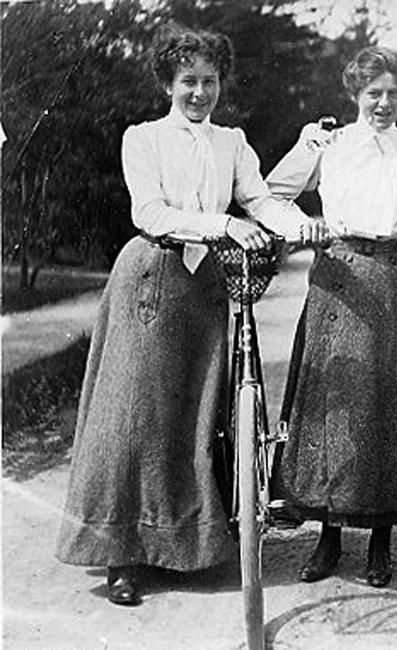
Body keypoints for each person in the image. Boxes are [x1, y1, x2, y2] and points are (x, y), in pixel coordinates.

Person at [55, 24, 322, 606]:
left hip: (203, 291)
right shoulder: (143, 138)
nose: (199, 92)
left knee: (195, 417)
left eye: (209, 81)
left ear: (221, 82)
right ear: (168, 85)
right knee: (132, 417)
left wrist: (302, 226)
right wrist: (223, 225)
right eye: (188, 82)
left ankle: (181, 550)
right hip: (150, 276)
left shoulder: (231, 142)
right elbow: (149, 211)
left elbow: (259, 200)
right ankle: (121, 558)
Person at [265, 45, 397, 588]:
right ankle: (327, 538)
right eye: (374, 93)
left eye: (395, 94)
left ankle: (379, 542)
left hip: (393, 279)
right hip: (337, 278)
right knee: (334, 409)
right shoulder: (329, 142)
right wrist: (307, 227)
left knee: (388, 409)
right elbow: (272, 194)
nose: (384, 103)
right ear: (356, 93)